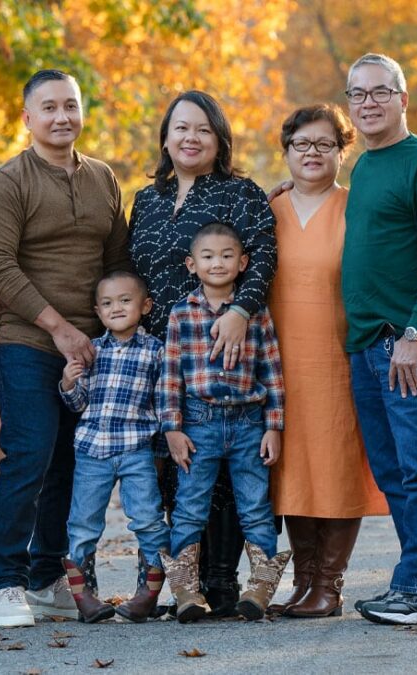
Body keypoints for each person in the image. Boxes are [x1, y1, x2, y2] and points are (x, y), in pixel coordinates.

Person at [0, 69, 132, 628]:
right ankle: (4, 584)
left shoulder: (103, 179)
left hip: (90, 349)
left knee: (72, 460)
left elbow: (116, 262)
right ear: (27, 117)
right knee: (32, 454)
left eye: (70, 105)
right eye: (48, 107)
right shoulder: (5, 183)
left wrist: (111, 331)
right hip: (27, 342)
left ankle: (46, 579)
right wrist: (59, 327)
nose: (61, 116)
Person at [129, 90, 276, 616]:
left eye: (202, 130)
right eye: (180, 129)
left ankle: (222, 581)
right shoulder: (146, 199)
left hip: (222, 345)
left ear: (219, 139)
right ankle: (178, 585)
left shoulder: (239, 193)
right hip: (163, 352)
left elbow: (265, 256)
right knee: (174, 464)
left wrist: (239, 313)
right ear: (165, 137)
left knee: (228, 471)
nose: (190, 138)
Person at [342, 53, 417, 625]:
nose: (368, 102)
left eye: (379, 92)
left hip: (403, 343)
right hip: (365, 343)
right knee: (391, 469)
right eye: (357, 94)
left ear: (402, 99)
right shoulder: (366, 168)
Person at [265, 104, 390, 619]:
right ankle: (303, 581)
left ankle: (330, 586)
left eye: (324, 144)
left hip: (339, 356)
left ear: (343, 151)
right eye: (302, 144)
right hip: (276, 360)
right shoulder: (266, 210)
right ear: (287, 151)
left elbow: (394, 269)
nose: (312, 153)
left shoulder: (357, 207)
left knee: (335, 466)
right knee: (292, 469)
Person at [156, 223, 290, 624]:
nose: (218, 263)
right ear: (191, 264)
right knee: (190, 506)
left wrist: (274, 425)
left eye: (227, 255)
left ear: (243, 262)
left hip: (250, 423)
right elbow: (171, 374)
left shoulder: (256, 313)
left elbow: (273, 370)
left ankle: (259, 588)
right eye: (208, 256)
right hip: (199, 424)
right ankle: (186, 592)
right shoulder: (181, 314)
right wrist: (172, 427)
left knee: (256, 506)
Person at [58, 271, 170, 624]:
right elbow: (77, 403)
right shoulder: (91, 350)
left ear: (145, 305)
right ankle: (85, 596)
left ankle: (146, 593)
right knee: (83, 523)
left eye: (125, 300)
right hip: (92, 449)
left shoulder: (157, 351)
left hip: (137, 449)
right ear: (97, 310)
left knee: (148, 518)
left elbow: (165, 401)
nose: (116, 308)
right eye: (107, 303)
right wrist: (68, 381)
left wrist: (163, 450)